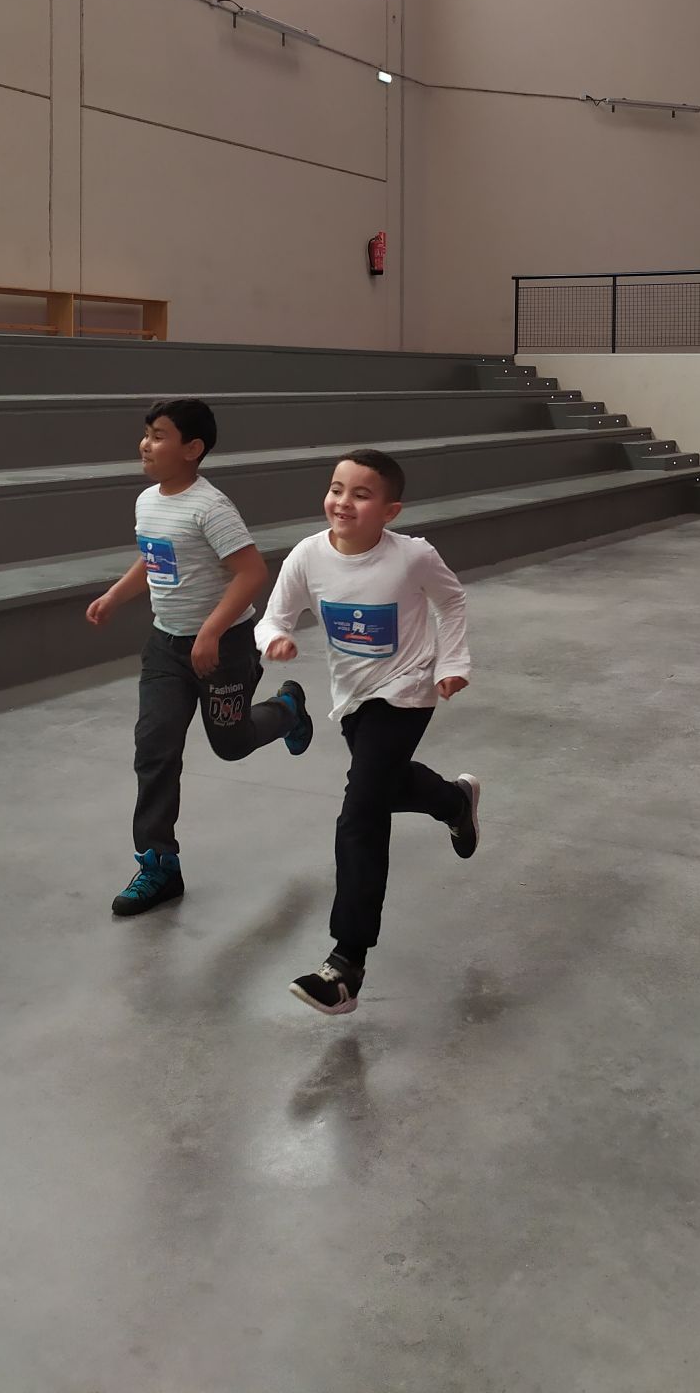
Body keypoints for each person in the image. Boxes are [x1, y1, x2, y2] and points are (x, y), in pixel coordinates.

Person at [257, 448, 480, 1015]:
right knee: (381, 784)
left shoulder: (412, 557)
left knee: (361, 811)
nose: (343, 502)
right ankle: (453, 801)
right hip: (353, 698)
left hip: (408, 690)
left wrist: (453, 663)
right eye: (337, 489)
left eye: (361, 494)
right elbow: (274, 616)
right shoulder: (308, 556)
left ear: (391, 511)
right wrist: (275, 639)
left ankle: (346, 965)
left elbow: (451, 601)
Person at [87, 397, 312, 917]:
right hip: (165, 647)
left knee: (230, 745)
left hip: (223, 647)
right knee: (154, 747)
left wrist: (210, 632)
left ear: (192, 449)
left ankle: (287, 711)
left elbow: (251, 572)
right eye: (146, 433)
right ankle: (158, 864)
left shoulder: (211, 507)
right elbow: (152, 557)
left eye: (159, 435)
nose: (146, 444)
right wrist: (115, 596)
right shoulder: (147, 501)